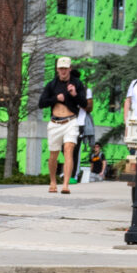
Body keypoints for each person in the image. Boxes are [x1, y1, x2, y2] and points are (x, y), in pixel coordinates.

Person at [38, 56, 87, 194]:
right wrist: (56, 98)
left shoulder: (77, 84)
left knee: (69, 150)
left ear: (70, 69)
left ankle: (66, 185)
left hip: (71, 121)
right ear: (57, 69)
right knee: (53, 154)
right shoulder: (52, 85)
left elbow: (84, 104)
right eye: (61, 68)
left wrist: (74, 94)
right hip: (55, 123)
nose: (63, 71)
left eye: (66, 68)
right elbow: (41, 103)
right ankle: (53, 182)